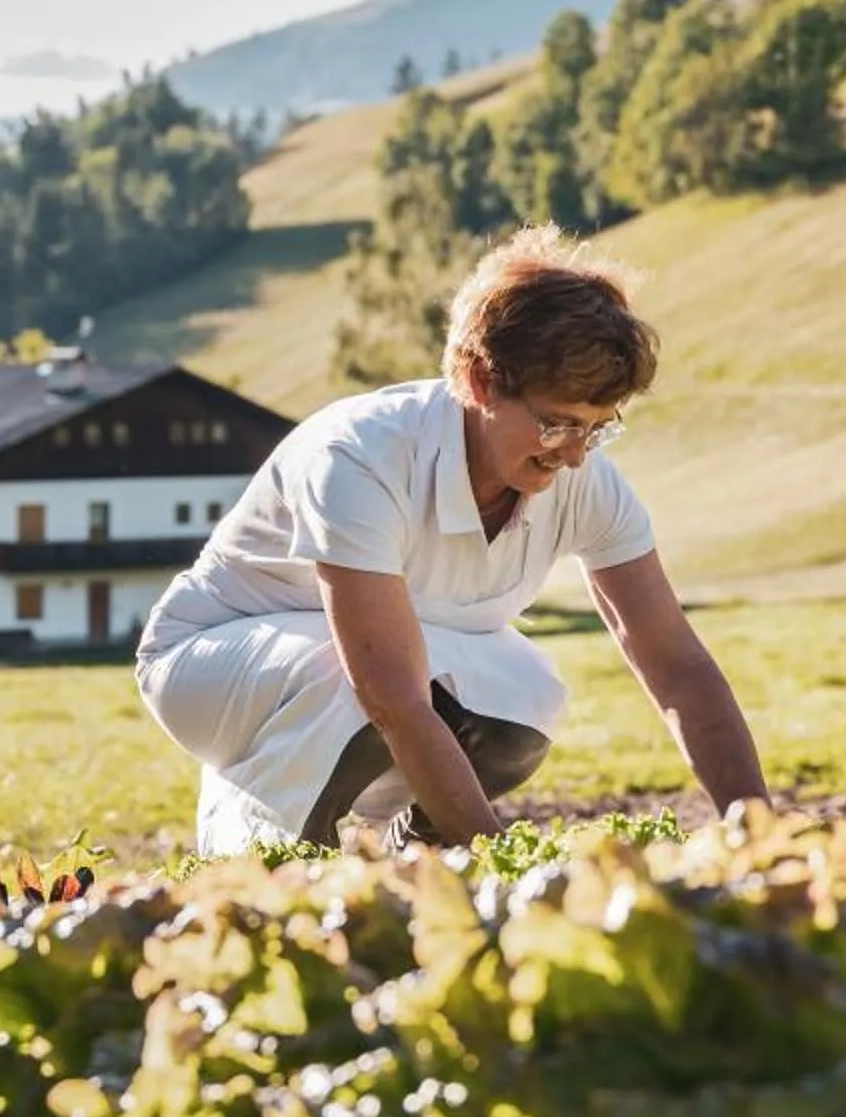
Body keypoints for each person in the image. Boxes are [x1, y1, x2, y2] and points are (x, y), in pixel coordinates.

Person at [135, 225, 775, 855]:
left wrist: (759, 834)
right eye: (556, 425)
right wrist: (503, 860)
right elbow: (390, 694)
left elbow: (677, 665)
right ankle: (269, 854)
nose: (576, 455)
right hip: (207, 668)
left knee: (527, 690)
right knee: (349, 678)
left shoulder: (585, 478)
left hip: (349, 678)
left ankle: (419, 856)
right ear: (478, 380)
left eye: (597, 428)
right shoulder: (360, 456)